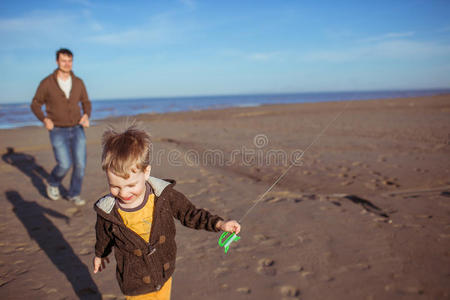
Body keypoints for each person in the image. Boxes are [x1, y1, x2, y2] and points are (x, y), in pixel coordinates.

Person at [93, 126, 241, 299]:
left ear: (146, 172)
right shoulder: (108, 211)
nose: (124, 193)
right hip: (134, 282)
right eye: (115, 186)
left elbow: (190, 213)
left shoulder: (164, 196)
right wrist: (100, 254)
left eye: (131, 185)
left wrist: (219, 224)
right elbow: (103, 235)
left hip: (164, 271)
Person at [30, 48, 91, 206]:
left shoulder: (78, 82)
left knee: (80, 165)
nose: (67, 64)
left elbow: (86, 102)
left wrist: (86, 115)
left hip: (77, 128)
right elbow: (35, 104)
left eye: (69, 60)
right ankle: (53, 182)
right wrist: (44, 119)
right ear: (57, 61)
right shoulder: (47, 83)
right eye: (63, 60)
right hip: (57, 129)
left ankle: (73, 194)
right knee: (64, 164)